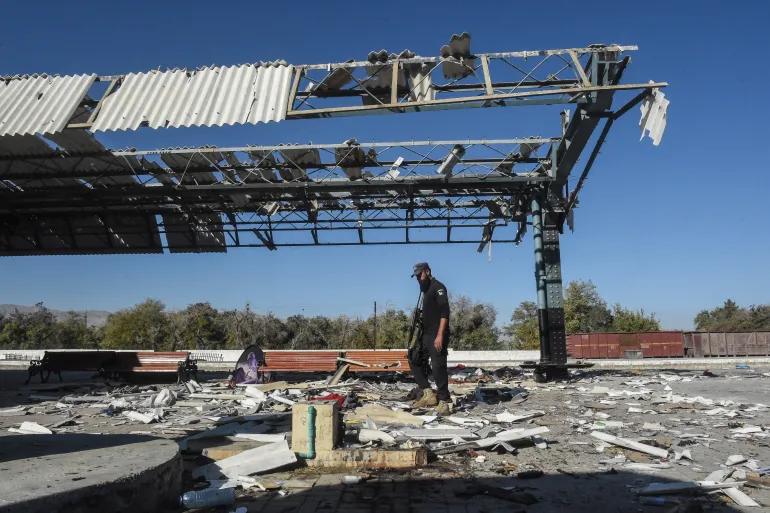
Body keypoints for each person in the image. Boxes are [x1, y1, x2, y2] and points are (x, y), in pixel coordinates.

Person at [408, 262, 452, 415]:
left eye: (420, 275)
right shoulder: (425, 290)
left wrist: (440, 335)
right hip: (425, 334)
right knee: (414, 358)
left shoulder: (438, 287)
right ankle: (428, 394)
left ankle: (444, 402)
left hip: (437, 334)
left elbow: (445, 313)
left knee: (438, 366)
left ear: (427, 271)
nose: (419, 279)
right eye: (416, 276)